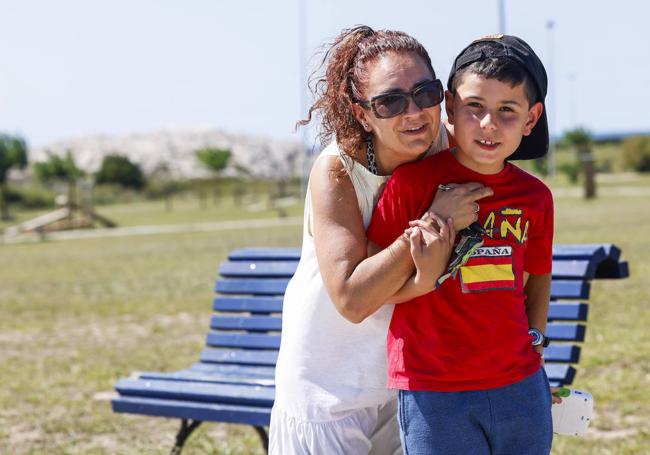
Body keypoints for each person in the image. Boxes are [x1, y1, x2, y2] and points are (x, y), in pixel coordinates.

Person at [269, 26, 492, 455]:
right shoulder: (337, 170)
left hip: (410, 383)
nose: (414, 112)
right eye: (390, 101)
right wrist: (433, 223)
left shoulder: (454, 148)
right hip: (329, 383)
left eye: (426, 93)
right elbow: (352, 299)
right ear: (362, 113)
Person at [367, 34, 556, 454]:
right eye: (474, 107)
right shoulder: (410, 186)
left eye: (507, 110)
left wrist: (536, 339)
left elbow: (538, 274)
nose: (488, 124)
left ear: (531, 118)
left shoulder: (536, 197)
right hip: (434, 390)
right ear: (450, 107)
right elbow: (375, 281)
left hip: (520, 387)